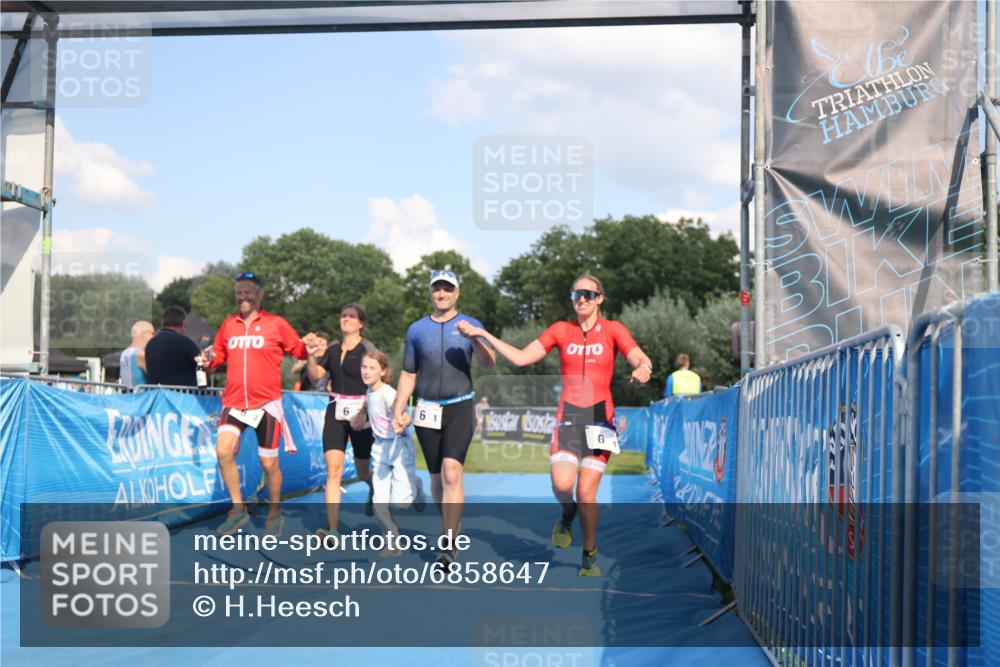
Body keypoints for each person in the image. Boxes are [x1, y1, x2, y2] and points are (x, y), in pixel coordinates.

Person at [456, 274, 653, 576]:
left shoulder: (613, 330)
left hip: (601, 420)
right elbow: (522, 358)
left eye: (588, 294)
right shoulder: (561, 330)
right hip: (569, 418)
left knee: (587, 491)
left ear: (600, 298)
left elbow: (638, 356)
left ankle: (589, 552)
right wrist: (482, 334)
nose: (582, 299)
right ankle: (567, 511)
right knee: (562, 485)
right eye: (576, 294)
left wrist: (644, 367)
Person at [391, 269, 495, 569]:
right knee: (437, 479)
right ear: (431, 292)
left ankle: (448, 543)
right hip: (426, 410)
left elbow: (489, 362)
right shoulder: (416, 330)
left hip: (460, 407)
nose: (442, 293)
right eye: (437, 288)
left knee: (452, 472)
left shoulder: (472, 324)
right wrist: (400, 407)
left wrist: (475, 338)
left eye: (448, 289)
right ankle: (451, 525)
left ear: (457, 293)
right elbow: (409, 373)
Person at [198, 271, 308, 537]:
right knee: (223, 452)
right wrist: (207, 360)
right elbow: (219, 357)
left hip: (265, 404)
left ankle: (275, 512)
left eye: (247, 291)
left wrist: (310, 347)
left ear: (260, 294)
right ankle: (238, 511)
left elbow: (299, 350)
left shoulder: (276, 323)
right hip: (234, 402)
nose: (242, 297)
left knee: (268, 464)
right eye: (239, 292)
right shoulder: (228, 325)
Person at [302, 305, 376, 538]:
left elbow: (376, 383)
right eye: (343, 316)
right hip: (335, 410)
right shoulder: (333, 348)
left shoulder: (367, 348)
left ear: (361, 323)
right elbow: (316, 376)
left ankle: (373, 487)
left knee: (363, 471)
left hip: (361, 412)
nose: (346, 320)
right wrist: (310, 356)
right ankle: (333, 529)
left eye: (352, 317)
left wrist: (365, 411)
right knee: (333, 472)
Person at [350, 349, 426, 557]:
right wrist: (362, 422)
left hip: (399, 447)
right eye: (364, 367)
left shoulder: (388, 393)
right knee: (379, 501)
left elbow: (402, 414)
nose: (366, 371)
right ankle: (392, 543)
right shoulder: (370, 392)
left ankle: (417, 487)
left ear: (382, 371)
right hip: (380, 449)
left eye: (372, 368)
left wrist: (404, 420)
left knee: (400, 504)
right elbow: (378, 418)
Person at [145, 306, 201, 387]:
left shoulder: (151, 343)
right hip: (181, 396)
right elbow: (202, 365)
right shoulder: (184, 342)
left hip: (157, 395)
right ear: (182, 324)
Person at [120, 320, 154, 388]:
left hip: (127, 396)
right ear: (145, 335)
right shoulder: (141, 355)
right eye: (152, 333)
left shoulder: (124, 353)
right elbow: (156, 378)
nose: (153, 337)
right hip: (143, 397)